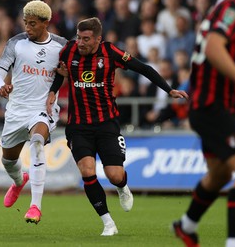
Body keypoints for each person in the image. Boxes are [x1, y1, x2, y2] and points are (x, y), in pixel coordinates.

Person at [46, 17, 188, 236]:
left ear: (97, 39)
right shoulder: (68, 51)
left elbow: (144, 68)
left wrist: (168, 90)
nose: (80, 43)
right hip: (78, 125)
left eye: (86, 39)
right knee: (87, 171)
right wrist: (54, 91)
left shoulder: (110, 52)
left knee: (114, 175)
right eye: (78, 37)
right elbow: (60, 74)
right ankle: (108, 223)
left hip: (107, 124)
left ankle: (122, 187)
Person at [171, 0, 235, 247]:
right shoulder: (233, 10)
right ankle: (234, 242)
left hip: (218, 107)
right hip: (211, 105)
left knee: (220, 174)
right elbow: (215, 48)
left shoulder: (232, 10)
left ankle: (187, 226)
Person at [0, 0, 67, 224]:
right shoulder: (16, 43)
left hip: (42, 108)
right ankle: (18, 181)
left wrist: (63, 78)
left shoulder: (62, 46)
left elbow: (69, 71)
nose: (28, 28)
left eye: (33, 24)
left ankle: (35, 206)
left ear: (46, 23)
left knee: (36, 141)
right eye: (25, 23)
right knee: (8, 160)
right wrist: (1, 87)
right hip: (16, 110)